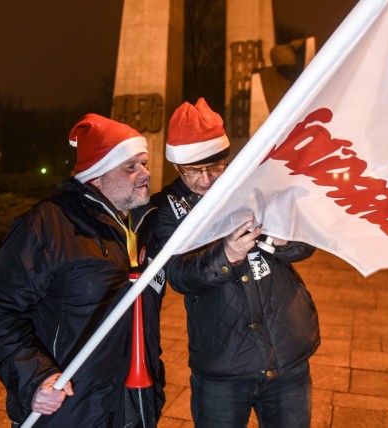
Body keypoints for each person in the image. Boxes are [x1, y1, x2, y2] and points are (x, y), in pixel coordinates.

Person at [0, 114, 166, 427]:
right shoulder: (47, 226)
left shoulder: (138, 223)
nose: (145, 173)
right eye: (130, 166)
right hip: (70, 410)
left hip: (131, 405)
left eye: (144, 163)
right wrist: (34, 379)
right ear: (97, 175)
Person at [151, 98, 320, 427]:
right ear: (177, 167)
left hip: (285, 352)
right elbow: (178, 276)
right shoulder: (167, 209)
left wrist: (283, 242)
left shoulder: (256, 184)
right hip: (222, 365)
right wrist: (225, 255)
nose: (206, 179)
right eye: (194, 171)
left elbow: (306, 245)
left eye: (215, 167)